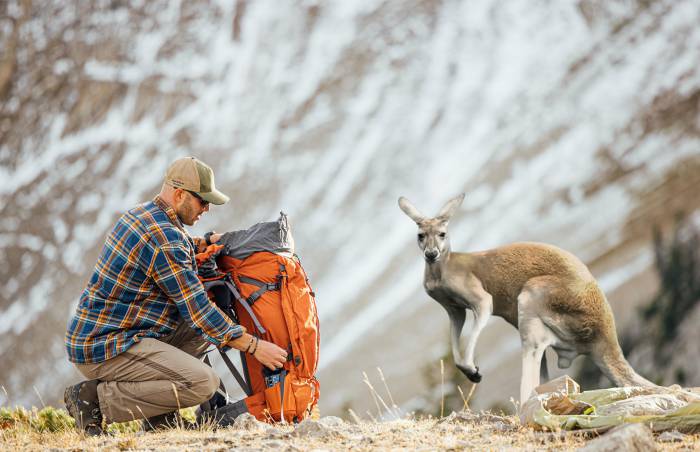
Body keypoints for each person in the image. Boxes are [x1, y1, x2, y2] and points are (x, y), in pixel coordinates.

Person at [64, 156, 287, 435]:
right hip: (106, 347)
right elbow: (199, 312)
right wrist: (255, 346)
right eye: (202, 201)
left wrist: (203, 243)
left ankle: (161, 419)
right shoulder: (165, 239)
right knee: (202, 382)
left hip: (118, 331)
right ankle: (94, 400)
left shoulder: (145, 215)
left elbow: (171, 251)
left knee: (197, 335)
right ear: (179, 193)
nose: (206, 209)